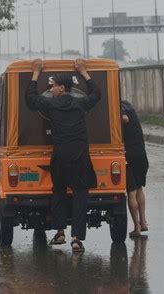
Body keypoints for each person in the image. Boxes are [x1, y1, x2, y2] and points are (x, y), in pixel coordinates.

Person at [26, 58, 101, 252]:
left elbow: (30, 98)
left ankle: (60, 231)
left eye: (53, 86)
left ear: (61, 88)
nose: (51, 89)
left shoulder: (51, 106)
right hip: (79, 158)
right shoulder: (80, 105)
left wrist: (35, 73)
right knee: (80, 195)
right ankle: (76, 238)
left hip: (60, 158)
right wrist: (84, 72)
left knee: (58, 192)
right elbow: (97, 93)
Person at [121, 100, 149, 238]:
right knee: (139, 189)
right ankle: (143, 222)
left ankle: (136, 228)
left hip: (129, 155)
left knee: (131, 192)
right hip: (141, 154)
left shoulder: (120, 109)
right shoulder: (130, 108)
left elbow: (124, 118)